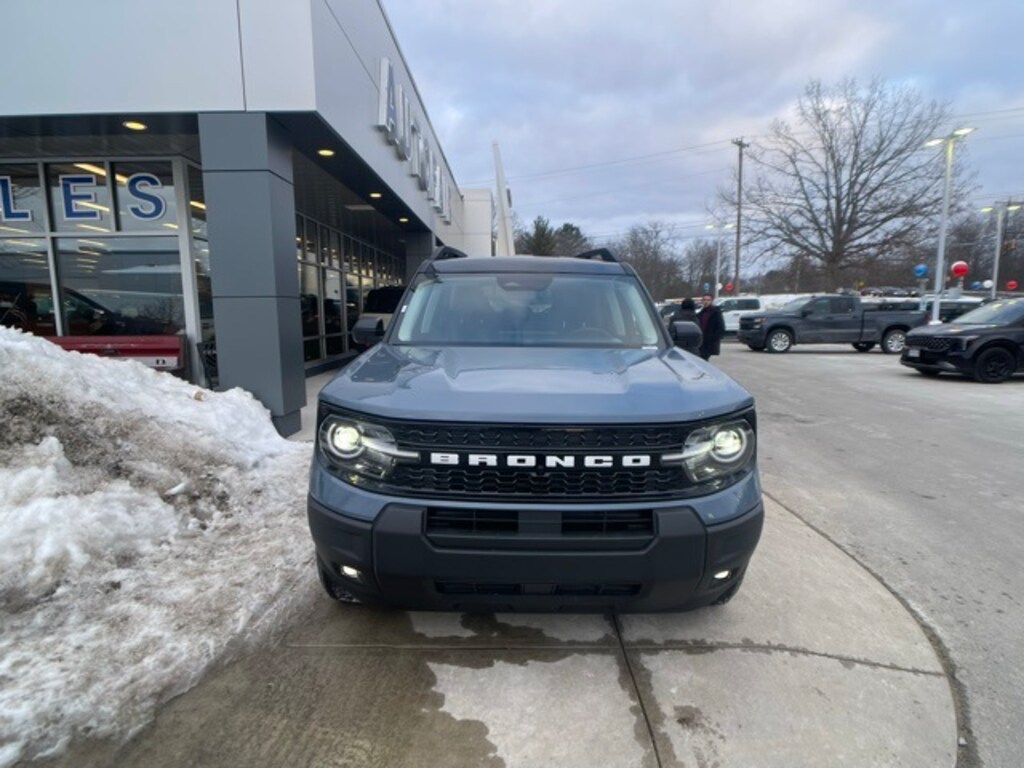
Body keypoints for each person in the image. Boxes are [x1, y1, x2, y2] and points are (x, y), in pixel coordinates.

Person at [697, 293, 725, 360]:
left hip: (709, 342)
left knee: (703, 359)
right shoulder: (701, 313)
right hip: (701, 341)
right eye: (704, 300)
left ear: (711, 301)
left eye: (708, 300)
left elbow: (721, 328)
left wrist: (713, 339)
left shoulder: (716, 312)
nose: (706, 302)